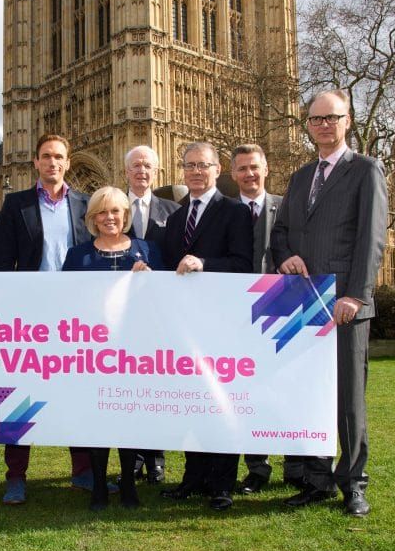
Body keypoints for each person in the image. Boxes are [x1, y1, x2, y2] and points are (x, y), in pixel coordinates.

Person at [271, 90, 387, 517]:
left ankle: (353, 482)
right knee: (309, 395)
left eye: (331, 118)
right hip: (305, 302)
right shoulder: (301, 176)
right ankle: (316, 479)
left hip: (345, 305)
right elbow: (280, 232)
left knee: (348, 399)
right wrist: (284, 255)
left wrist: (356, 294)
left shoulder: (366, 170)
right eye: (315, 119)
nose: (322, 125)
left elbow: (371, 238)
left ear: (347, 121)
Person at [0, 133, 101, 505]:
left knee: (79, 392)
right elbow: (3, 262)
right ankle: (16, 475)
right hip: (31, 314)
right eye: (45, 157)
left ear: (67, 162)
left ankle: (83, 471)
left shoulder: (85, 205)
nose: (52, 163)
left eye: (58, 157)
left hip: (75, 313)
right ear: (35, 163)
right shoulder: (16, 204)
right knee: (22, 393)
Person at [160, 141, 253, 511]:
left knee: (221, 402)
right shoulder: (176, 217)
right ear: (182, 171)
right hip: (185, 324)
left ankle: (222, 484)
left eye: (203, 165)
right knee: (191, 403)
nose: (196, 171)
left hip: (220, 321)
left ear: (218, 170)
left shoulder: (234, 212)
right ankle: (192, 478)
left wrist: (204, 263)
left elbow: (243, 264)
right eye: (189, 166)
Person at [63, 186, 161, 510]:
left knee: (130, 416)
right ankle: (99, 487)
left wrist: (150, 280)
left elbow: (166, 298)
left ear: (125, 215)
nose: (109, 218)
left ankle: (130, 483)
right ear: (92, 218)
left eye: (116, 211)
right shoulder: (78, 255)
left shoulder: (148, 251)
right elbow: (67, 302)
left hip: (136, 351)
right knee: (98, 418)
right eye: (102, 212)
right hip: (94, 352)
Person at [229, 143, 305, 494]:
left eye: (255, 167)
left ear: (266, 169)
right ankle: (256, 467)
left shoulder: (288, 208)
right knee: (249, 392)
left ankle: (295, 465)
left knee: (289, 389)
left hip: (282, 311)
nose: (250, 174)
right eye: (242, 168)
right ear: (233, 174)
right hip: (240, 316)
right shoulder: (226, 213)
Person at [123, 145, 180, 484]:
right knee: (127, 386)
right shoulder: (114, 208)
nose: (141, 172)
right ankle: (132, 456)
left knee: (158, 386)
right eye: (135, 166)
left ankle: (156, 457)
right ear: (126, 171)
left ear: (156, 171)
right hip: (123, 313)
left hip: (161, 312)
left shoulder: (173, 211)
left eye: (147, 166)